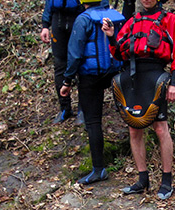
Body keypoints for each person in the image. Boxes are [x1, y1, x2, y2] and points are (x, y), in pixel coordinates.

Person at [103, 0, 175, 199]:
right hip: (134, 77)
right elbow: (119, 53)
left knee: (160, 128)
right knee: (134, 127)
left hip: (155, 76)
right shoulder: (133, 21)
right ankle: (142, 179)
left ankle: (166, 181)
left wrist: (173, 83)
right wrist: (112, 37)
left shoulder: (170, 20)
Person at [60, 0, 125, 185]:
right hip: (114, 73)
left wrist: (67, 81)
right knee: (128, 114)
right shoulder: (114, 15)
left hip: (90, 76)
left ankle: (99, 169)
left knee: (93, 121)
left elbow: (75, 54)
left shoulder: (83, 20)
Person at [41, 0, 84, 123]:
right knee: (60, 64)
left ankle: (83, 109)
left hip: (78, 18)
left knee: (81, 63)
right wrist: (45, 25)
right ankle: (65, 108)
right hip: (58, 20)